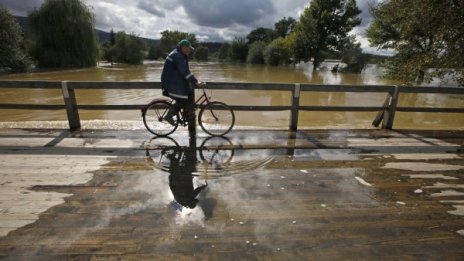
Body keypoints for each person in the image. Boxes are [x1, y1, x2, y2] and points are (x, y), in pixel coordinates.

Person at [161, 39, 201, 125]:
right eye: (188, 48)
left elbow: (184, 71)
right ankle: (169, 116)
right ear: (184, 47)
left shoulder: (178, 53)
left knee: (188, 92)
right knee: (182, 100)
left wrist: (192, 81)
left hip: (173, 81)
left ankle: (187, 114)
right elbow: (185, 72)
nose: (190, 50)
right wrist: (195, 81)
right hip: (171, 83)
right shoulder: (178, 56)